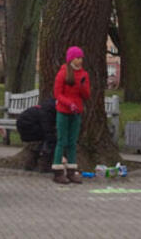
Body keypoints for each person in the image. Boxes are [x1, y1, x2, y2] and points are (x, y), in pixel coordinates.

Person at [52, 46, 90, 184]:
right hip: (63, 110)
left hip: (76, 111)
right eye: (77, 58)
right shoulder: (63, 73)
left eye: (81, 58)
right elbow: (57, 94)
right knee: (62, 140)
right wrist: (69, 104)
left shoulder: (84, 74)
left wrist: (83, 86)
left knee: (73, 141)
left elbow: (86, 95)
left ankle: (72, 170)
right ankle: (57, 171)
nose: (80, 61)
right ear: (71, 59)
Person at [16, 97, 57, 172]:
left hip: (25, 124)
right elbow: (47, 130)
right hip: (28, 126)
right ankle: (44, 165)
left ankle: (31, 164)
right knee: (47, 142)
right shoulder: (46, 114)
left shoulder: (46, 107)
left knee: (38, 144)